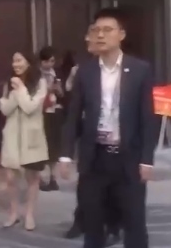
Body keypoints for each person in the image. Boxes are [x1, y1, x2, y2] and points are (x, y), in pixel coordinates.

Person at [58, 8, 158, 248]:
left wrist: (147, 159)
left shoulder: (140, 70)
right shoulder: (86, 71)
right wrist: (65, 155)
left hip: (128, 159)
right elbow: (73, 116)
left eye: (107, 30)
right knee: (93, 224)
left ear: (121, 34)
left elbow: (148, 117)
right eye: (96, 30)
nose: (100, 35)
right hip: (95, 160)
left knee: (134, 223)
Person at [64, 25, 121, 244]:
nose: (91, 42)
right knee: (86, 184)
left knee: (113, 187)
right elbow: (72, 98)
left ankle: (113, 225)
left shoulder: (119, 68)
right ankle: (81, 220)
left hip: (114, 137)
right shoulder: (83, 70)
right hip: (89, 136)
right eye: (89, 38)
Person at [0, 51, 47, 231]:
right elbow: (5, 109)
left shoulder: (40, 82)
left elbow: (29, 107)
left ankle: (29, 214)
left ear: (28, 62)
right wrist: (14, 93)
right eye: (14, 61)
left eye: (19, 60)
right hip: (11, 135)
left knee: (32, 178)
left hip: (31, 136)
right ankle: (13, 213)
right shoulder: (9, 83)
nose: (15, 64)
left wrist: (20, 89)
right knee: (10, 178)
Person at [37, 46, 65, 192]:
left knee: (53, 145)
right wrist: (48, 88)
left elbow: (62, 94)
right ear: (41, 61)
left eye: (52, 61)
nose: (50, 64)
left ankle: (53, 178)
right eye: (47, 61)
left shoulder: (56, 73)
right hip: (40, 112)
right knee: (41, 144)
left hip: (54, 111)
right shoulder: (36, 75)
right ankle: (40, 177)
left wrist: (58, 88)